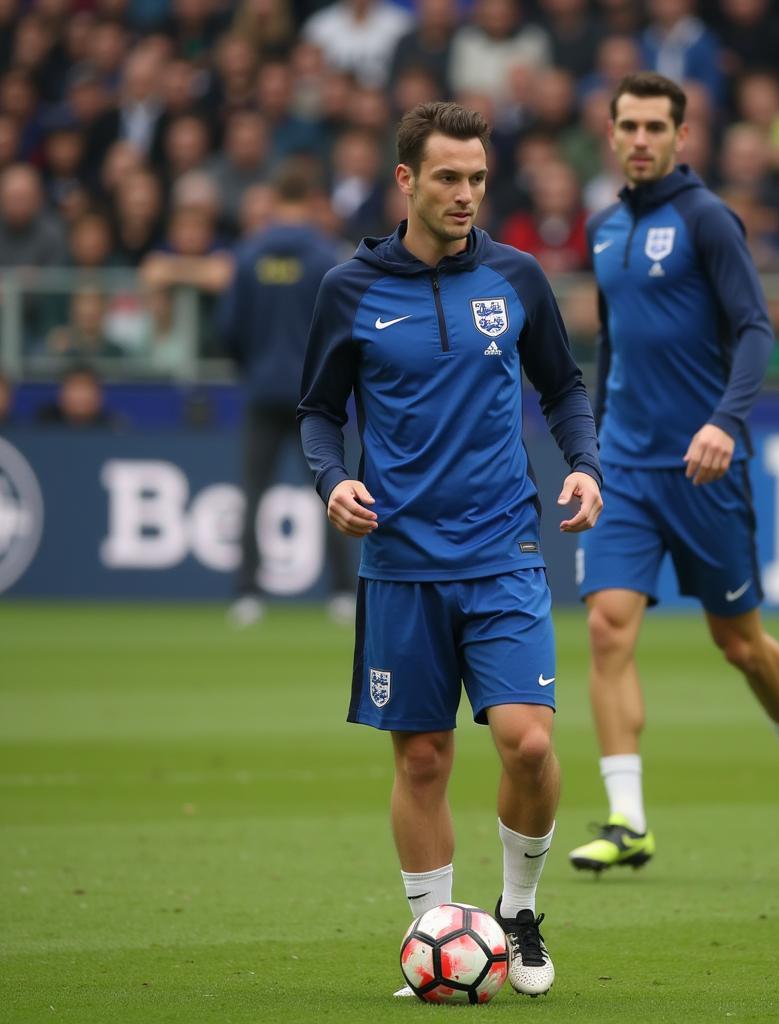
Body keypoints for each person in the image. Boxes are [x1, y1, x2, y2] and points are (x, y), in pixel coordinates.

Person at [297, 101, 602, 998]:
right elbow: (317, 412)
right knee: (422, 758)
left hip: (504, 549)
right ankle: (432, 936)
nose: (467, 194)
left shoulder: (516, 278)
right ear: (406, 182)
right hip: (400, 564)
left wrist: (584, 466)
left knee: (529, 745)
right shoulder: (348, 291)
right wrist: (331, 483)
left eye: (476, 177)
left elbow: (564, 386)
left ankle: (517, 914)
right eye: (448, 178)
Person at [569, 72, 779, 875]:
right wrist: (590, 444)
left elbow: (755, 330)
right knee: (605, 625)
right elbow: (613, 346)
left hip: (703, 471)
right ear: (611, 133)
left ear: (682, 137)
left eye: (658, 125)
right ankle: (628, 821)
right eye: (629, 125)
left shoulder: (709, 220)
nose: (642, 138)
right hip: (624, 463)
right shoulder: (603, 227)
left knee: (740, 644)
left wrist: (725, 422)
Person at [219, 162, 356, 626]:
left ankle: (247, 594)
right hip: (314, 396)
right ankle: (341, 592)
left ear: (275, 201)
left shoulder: (248, 254)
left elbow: (228, 328)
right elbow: (345, 329)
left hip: (262, 389)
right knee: (333, 489)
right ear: (312, 200)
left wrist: (253, 367)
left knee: (254, 492)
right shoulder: (326, 257)